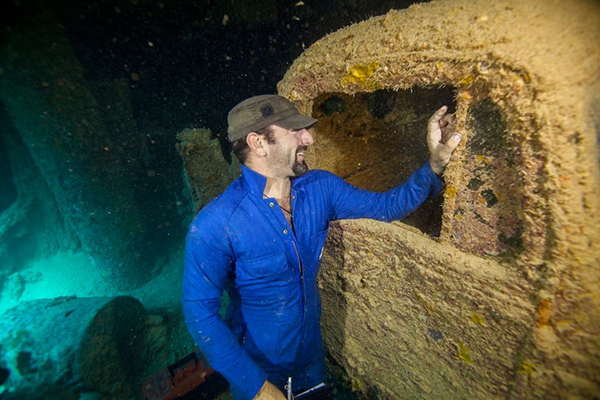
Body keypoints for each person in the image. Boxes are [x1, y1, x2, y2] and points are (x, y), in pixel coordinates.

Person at [182, 94, 462, 400]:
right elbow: (200, 314)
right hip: (259, 372)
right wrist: (258, 388)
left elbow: (386, 206)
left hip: (313, 365)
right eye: (295, 131)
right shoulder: (215, 225)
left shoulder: (321, 188)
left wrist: (433, 168)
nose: (309, 138)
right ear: (258, 143)